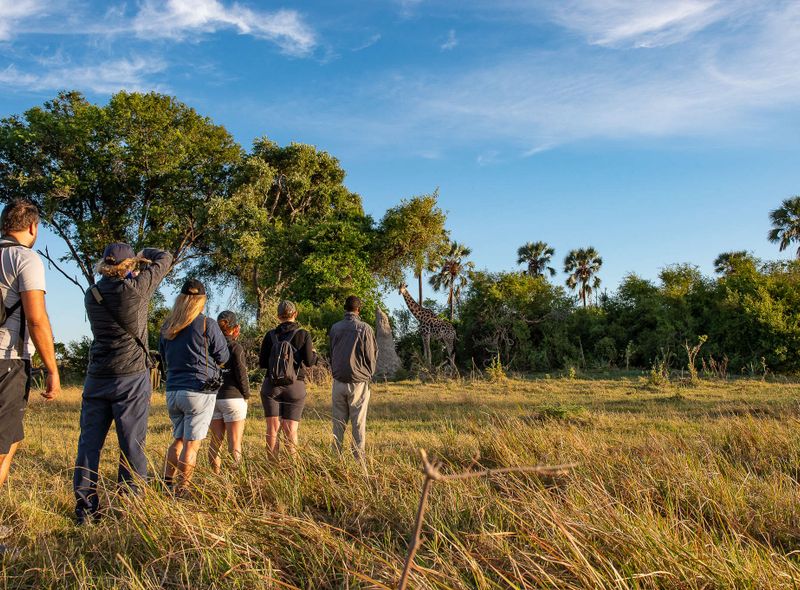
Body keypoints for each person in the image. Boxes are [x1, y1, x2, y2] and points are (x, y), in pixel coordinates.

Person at [73, 241, 172, 523]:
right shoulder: (136, 290)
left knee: (89, 444)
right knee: (131, 443)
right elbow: (165, 258)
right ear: (129, 267)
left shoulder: (91, 295)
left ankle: (86, 509)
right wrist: (143, 256)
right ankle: (129, 506)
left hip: (97, 377)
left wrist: (133, 263)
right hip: (129, 376)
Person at [0, 199, 61, 488]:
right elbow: (37, 319)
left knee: (11, 440)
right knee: (1, 449)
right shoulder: (25, 258)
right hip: (8, 359)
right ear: (33, 226)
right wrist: (52, 369)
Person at [159, 279, 229, 496]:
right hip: (199, 390)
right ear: (202, 300)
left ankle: (166, 483)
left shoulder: (168, 326)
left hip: (173, 390)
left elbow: (163, 357)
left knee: (178, 440)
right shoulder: (207, 324)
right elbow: (223, 356)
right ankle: (183, 488)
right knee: (192, 444)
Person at [258, 300, 317, 457]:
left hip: (271, 385)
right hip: (295, 385)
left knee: (272, 429)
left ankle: (271, 468)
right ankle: (293, 468)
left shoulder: (270, 335)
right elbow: (310, 362)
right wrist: (315, 354)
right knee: (291, 429)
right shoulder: (303, 334)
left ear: (278, 316)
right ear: (295, 314)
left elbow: (262, 363)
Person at [328, 296, 377, 464]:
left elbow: (331, 352)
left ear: (345, 308)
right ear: (359, 310)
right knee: (358, 425)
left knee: (337, 426)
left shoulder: (335, 328)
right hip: (358, 383)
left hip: (338, 382)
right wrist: (368, 375)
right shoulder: (365, 329)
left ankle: (335, 462)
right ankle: (359, 464)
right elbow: (371, 356)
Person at [208, 310, 250, 473]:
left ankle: (215, 475)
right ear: (236, 328)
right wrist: (246, 395)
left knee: (215, 441)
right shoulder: (235, 347)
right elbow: (242, 373)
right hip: (233, 397)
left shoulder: (210, 347)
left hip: (214, 397)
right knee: (235, 443)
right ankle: (237, 475)